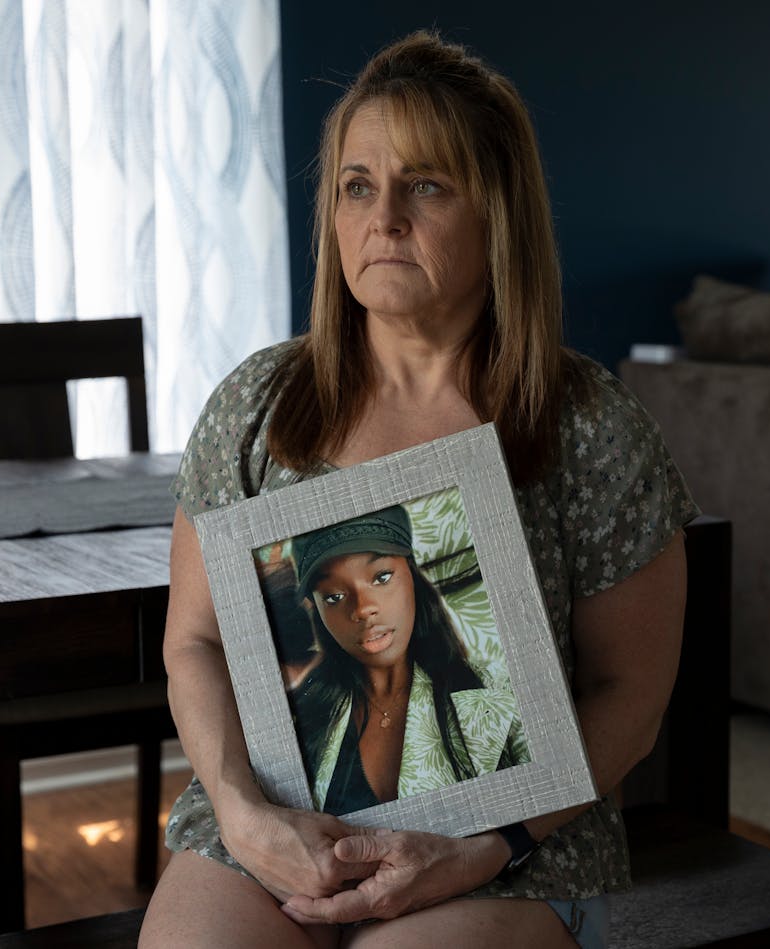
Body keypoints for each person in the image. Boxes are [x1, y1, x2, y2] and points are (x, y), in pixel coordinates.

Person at [140, 29, 696, 949]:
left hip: (515, 851)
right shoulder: (255, 404)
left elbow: (630, 691)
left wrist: (488, 843)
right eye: (358, 185)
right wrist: (241, 811)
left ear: (499, 214)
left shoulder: (589, 424)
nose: (383, 216)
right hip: (272, 830)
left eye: (426, 185)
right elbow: (194, 641)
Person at [285, 504, 529, 816]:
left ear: (412, 576)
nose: (362, 609)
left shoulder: (499, 689)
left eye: (382, 576)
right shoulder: (301, 721)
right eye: (334, 596)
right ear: (317, 610)